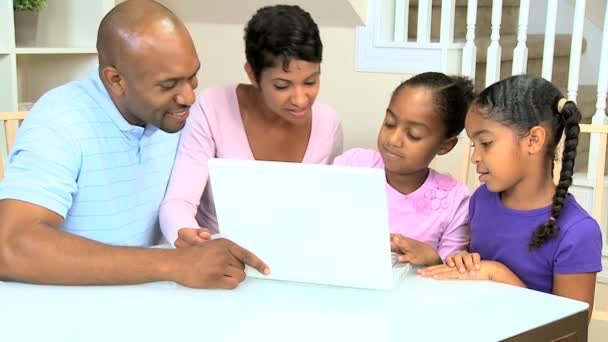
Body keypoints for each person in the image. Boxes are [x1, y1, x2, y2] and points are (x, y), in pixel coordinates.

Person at [0, 0, 268, 289]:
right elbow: (10, 246)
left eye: (193, 78)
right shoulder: (60, 118)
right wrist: (174, 264)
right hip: (65, 311)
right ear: (116, 80)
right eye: (168, 85)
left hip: (143, 302)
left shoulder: (176, 116)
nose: (189, 97)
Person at [419, 75, 603, 319]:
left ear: (534, 140)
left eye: (485, 143)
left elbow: (568, 333)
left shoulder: (577, 232)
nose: (475, 157)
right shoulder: (482, 200)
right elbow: (476, 279)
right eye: (474, 145)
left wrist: (497, 274)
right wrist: (464, 262)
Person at [159, 5, 343, 247]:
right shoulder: (213, 106)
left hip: (293, 258)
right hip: (217, 255)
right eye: (282, 86)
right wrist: (194, 242)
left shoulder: (328, 125)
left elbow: (326, 212)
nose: (300, 99)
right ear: (252, 75)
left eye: (310, 81)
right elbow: (179, 202)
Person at [333, 72, 473, 266]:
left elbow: (452, 270)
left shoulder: (454, 199)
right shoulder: (354, 165)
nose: (393, 140)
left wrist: (432, 258)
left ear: (445, 146)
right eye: (389, 124)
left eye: (414, 135)